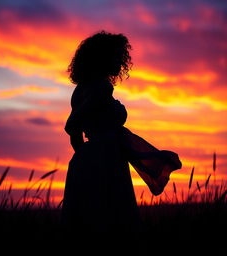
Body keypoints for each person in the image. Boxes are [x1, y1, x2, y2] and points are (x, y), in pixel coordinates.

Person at [60, 30, 182, 234]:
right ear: (104, 57)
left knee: (92, 219)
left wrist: (84, 158)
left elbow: (75, 135)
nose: (121, 61)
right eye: (117, 56)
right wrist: (99, 155)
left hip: (94, 157)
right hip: (105, 158)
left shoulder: (81, 88)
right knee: (113, 218)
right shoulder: (101, 87)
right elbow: (73, 124)